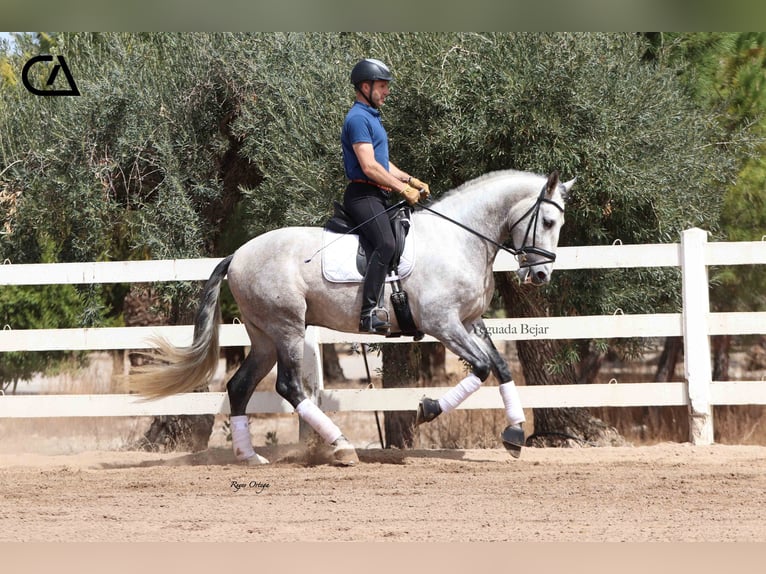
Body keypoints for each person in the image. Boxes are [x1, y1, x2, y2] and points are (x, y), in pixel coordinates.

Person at [341, 58, 430, 334]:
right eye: (382, 86)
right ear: (365, 87)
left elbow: (382, 163)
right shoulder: (357, 119)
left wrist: (410, 179)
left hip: (377, 194)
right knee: (386, 244)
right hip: (362, 195)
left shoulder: (372, 118)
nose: (386, 92)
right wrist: (402, 189)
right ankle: (368, 313)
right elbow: (368, 167)